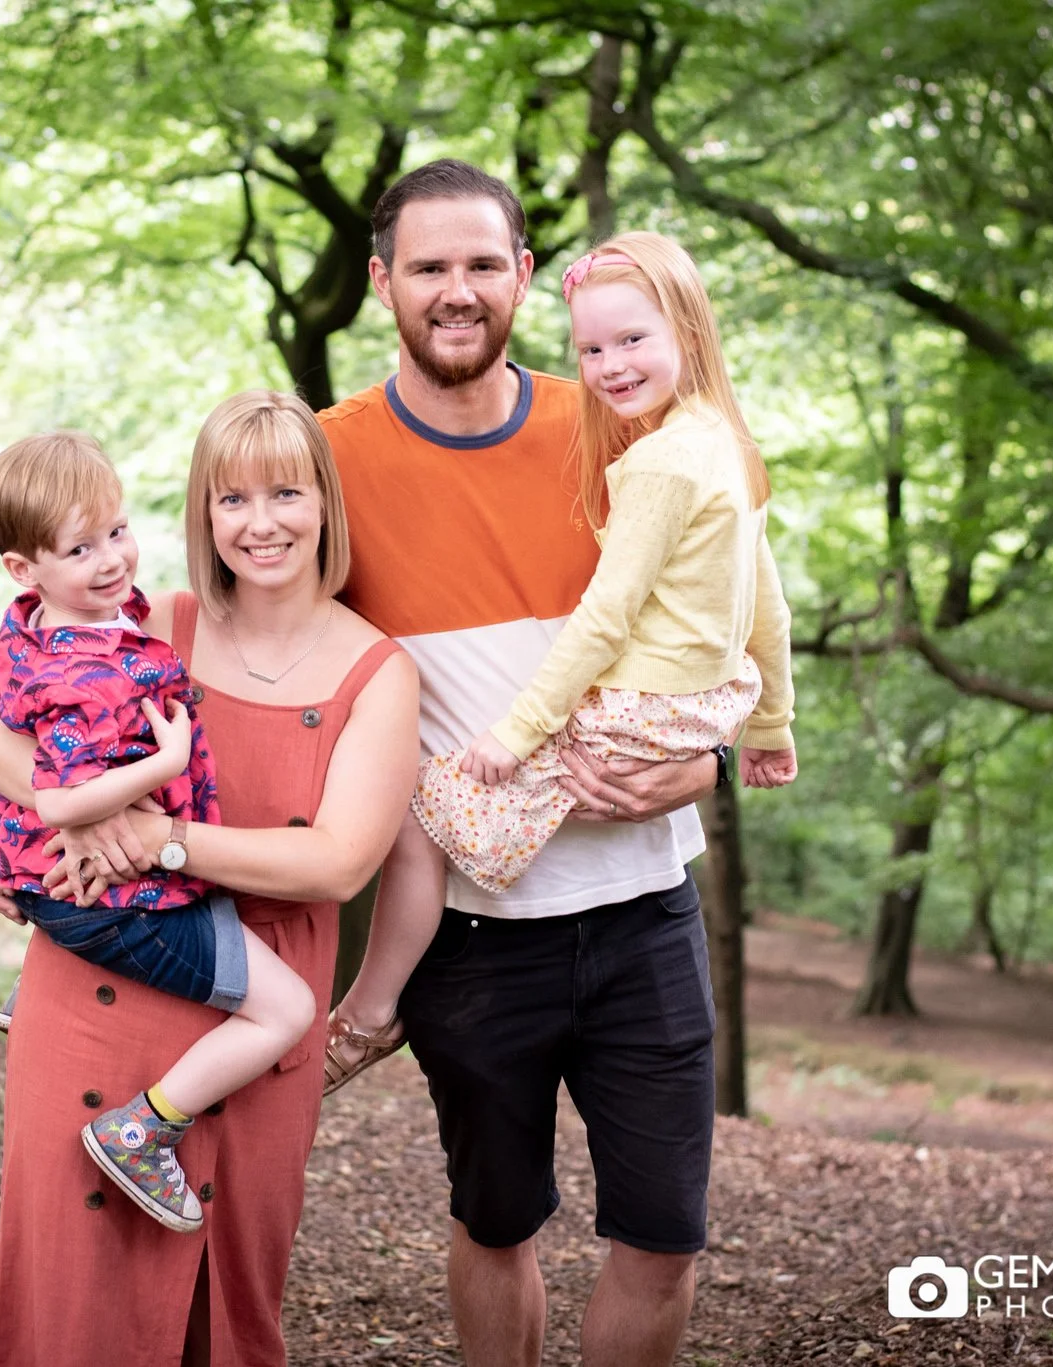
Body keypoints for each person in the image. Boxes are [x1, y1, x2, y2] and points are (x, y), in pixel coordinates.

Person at [318, 160, 797, 1367]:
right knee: (493, 1224)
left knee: (663, 1238)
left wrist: (711, 763)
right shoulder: (328, 461)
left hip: (643, 911)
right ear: (383, 283)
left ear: (523, 276)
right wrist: (70, 798)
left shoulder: (620, 418)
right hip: (474, 934)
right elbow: (252, 647)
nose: (457, 289)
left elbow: (728, 603)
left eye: (483, 263)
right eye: (428, 265)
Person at [0, 390, 418, 1366]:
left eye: (285, 493)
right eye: (231, 499)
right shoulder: (151, 623)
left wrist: (157, 836)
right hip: (90, 1001)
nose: (259, 523)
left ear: (324, 505)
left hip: (252, 1018)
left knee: (227, 1308)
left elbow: (338, 860)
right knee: (65, 1302)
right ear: (202, 513)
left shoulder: (378, 671)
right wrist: (15, 829)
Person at [328, 229, 797, 1091]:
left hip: (642, 814)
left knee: (422, 812)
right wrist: (767, 722)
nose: (611, 364)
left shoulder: (639, 450)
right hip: (682, 722)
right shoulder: (722, 442)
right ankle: (370, 1008)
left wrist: (520, 733)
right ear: (383, 280)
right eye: (592, 348)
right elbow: (762, 600)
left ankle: (364, 1017)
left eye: (631, 340)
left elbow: (609, 617)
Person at [0, 430, 317, 1234]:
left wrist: (5, 842)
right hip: (113, 902)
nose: (112, 559)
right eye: (81, 547)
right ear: (24, 569)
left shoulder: (49, 625)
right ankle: (143, 1129)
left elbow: (5, 740)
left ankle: (43, 976)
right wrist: (164, 765)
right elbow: (62, 800)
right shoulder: (81, 673)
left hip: (67, 882)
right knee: (287, 1010)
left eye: (117, 531)